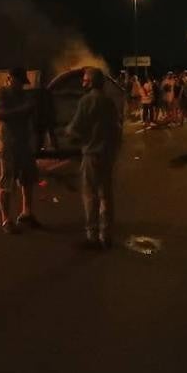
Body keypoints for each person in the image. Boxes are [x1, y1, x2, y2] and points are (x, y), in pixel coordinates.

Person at [65, 67, 123, 249]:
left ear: (90, 82)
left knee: (90, 196)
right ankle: (106, 235)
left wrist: (68, 134)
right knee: (106, 196)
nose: (82, 82)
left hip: (91, 155)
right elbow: (116, 129)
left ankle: (92, 235)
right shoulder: (109, 102)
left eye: (84, 79)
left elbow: (75, 128)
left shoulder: (86, 101)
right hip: (107, 154)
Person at [0, 67, 39, 234]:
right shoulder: (0, 93)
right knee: (6, 183)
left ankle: (27, 213)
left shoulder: (23, 95)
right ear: (10, 78)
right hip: (7, 145)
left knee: (27, 180)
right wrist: (24, 109)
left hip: (23, 144)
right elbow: (0, 113)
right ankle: (6, 220)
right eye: (19, 82)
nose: (21, 86)